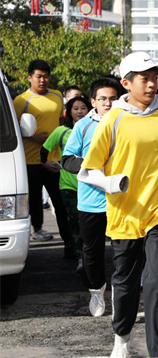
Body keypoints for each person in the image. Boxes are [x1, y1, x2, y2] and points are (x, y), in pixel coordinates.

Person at [77, 52, 158, 358]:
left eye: (155, 78)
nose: (151, 84)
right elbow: (88, 170)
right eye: (144, 78)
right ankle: (121, 336)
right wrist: (111, 183)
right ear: (126, 83)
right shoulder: (113, 119)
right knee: (126, 280)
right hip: (126, 211)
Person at [62, 77, 120, 317]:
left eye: (112, 98)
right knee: (92, 251)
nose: (107, 103)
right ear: (93, 101)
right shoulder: (83, 125)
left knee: (124, 249)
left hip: (122, 200)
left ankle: (121, 294)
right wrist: (90, 164)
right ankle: (97, 291)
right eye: (102, 99)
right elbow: (67, 159)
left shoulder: (127, 122)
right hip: (91, 201)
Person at [14, 60, 70, 246]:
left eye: (46, 76)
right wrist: (33, 137)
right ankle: (36, 230)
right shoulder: (21, 100)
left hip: (54, 158)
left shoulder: (57, 95)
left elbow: (60, 123)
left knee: (59, 199)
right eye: (39, 76)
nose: (43, 80)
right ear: (30, 77)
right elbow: (15, 128)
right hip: (31, 160)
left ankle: (69, 240)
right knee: (35, 199)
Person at [40, 96, 91, 265]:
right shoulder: (61, 131)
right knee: (75, 223)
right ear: (69, 112)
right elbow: (44, 150)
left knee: (89, 225)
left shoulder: (97, 128)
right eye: (75, 108)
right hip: (69, 186)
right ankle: (80, 257)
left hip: (92, 186)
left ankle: (88, 255)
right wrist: (46, 164)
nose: (79, 111)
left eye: (83, 108)